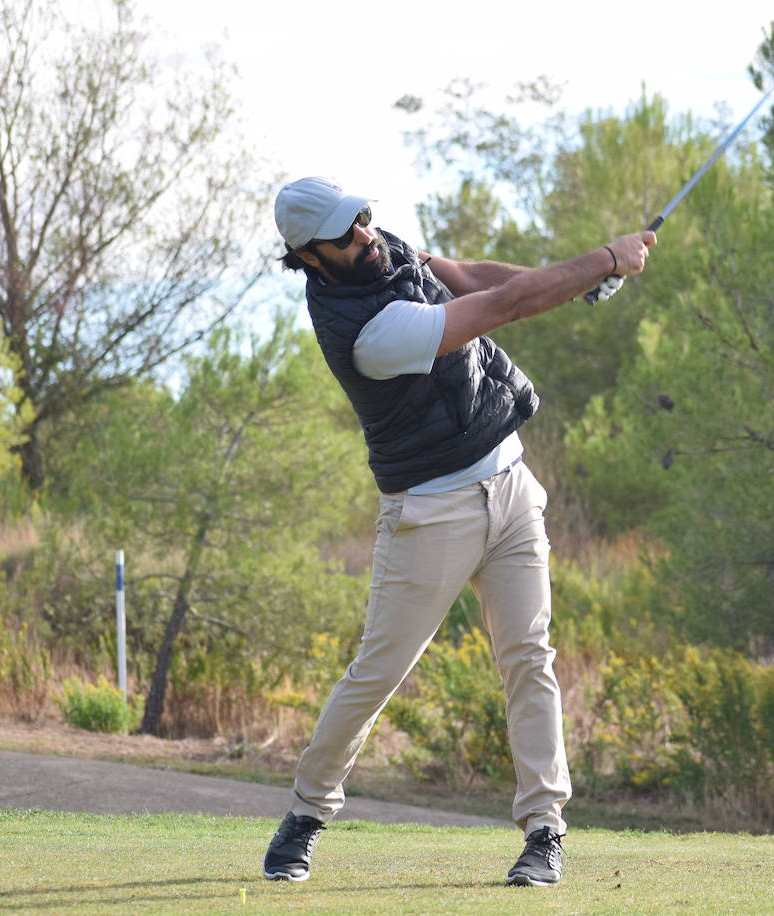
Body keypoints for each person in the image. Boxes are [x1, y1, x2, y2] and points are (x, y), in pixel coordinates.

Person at [263, 176, 656, 887]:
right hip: (429, 513)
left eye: (362, 217)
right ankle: (306, 812)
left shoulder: (385, 251)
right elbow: (498, 307)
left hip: (510, 487)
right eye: (345, 233)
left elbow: (472, 276)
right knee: (379, 672)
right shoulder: (366, 335)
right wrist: (602, 259)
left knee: (529, 657)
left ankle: (544, 831)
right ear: (312, 258)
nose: (365, 233)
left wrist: (576, 281)